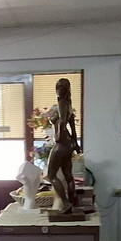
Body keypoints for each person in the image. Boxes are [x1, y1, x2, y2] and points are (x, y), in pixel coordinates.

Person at [46, 78, 81, 214]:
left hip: (61, 143)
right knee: (68, 175)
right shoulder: (69, 104)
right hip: (68, 144)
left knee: (51, 175)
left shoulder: (61, 103)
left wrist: (58, 136)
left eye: (60, 87)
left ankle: (66, 203)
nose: (58, 89)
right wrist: (75, 143)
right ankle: (73, 201)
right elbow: (73, 128)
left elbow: (62, 122)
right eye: (57, 86)